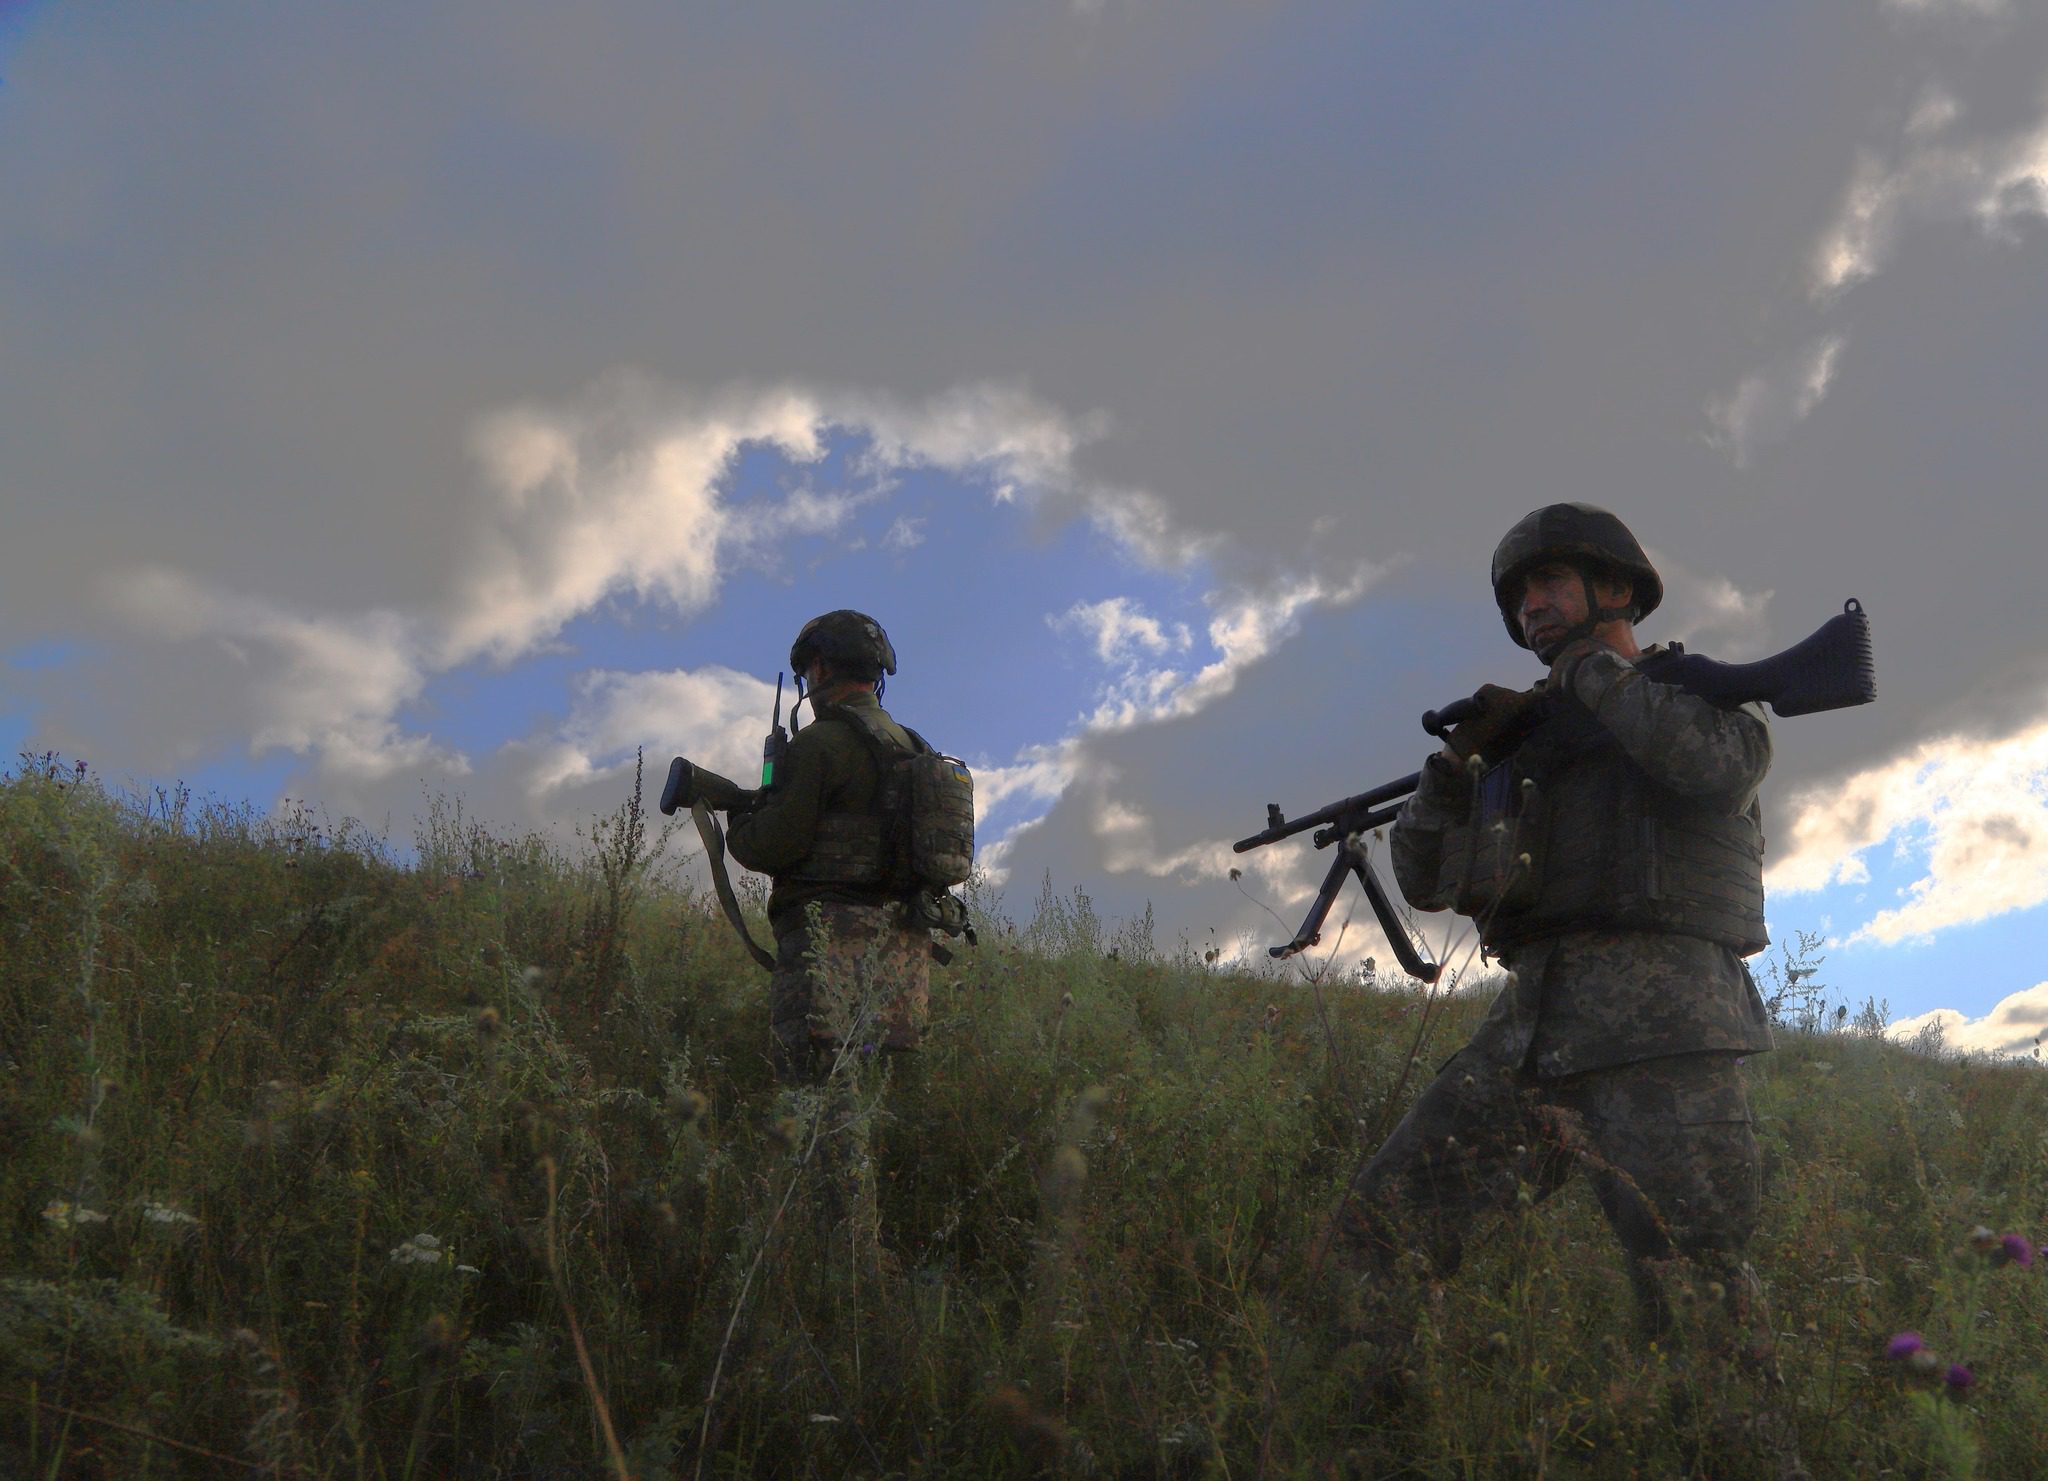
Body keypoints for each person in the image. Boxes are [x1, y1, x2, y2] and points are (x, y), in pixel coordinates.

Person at [1340, 503, 1782, 1356]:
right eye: (1517, 596)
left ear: (1616, 587)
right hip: (1530, 1040)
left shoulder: (1696, 699)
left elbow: (1719, 769)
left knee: (1696, 1305)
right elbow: (1426, 877)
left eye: (1548, 581)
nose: (1529, 606)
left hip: (1666, 1040)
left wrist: (1594, 677)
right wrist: (1452, 768)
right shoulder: (1522, 746)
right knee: (1378, 1237)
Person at [724, 609, 952, 1086]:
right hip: (903, 960)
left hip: (826, 952)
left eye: (809, 671)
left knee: (810, 1099)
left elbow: (773, 845)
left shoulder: (819, 745)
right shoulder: (916, 748)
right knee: (865, 1095)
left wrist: (739, 819)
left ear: (821, 668)